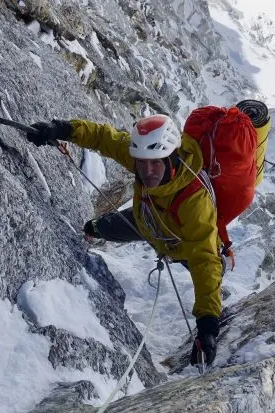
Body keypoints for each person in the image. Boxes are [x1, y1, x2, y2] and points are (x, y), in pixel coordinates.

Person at [26, 112, 226, 368]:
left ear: (173, 159)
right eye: (142, 164)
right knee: (99, 227)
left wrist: (207, 325)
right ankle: (97, 228)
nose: (148, 171)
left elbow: (204, 260)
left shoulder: (194, 201)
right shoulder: (146, 156)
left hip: (183, 243)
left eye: (156, 164)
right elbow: (104, 138)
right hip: (148, 219)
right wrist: (62, 129)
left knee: (208, 274)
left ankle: (215, 306)